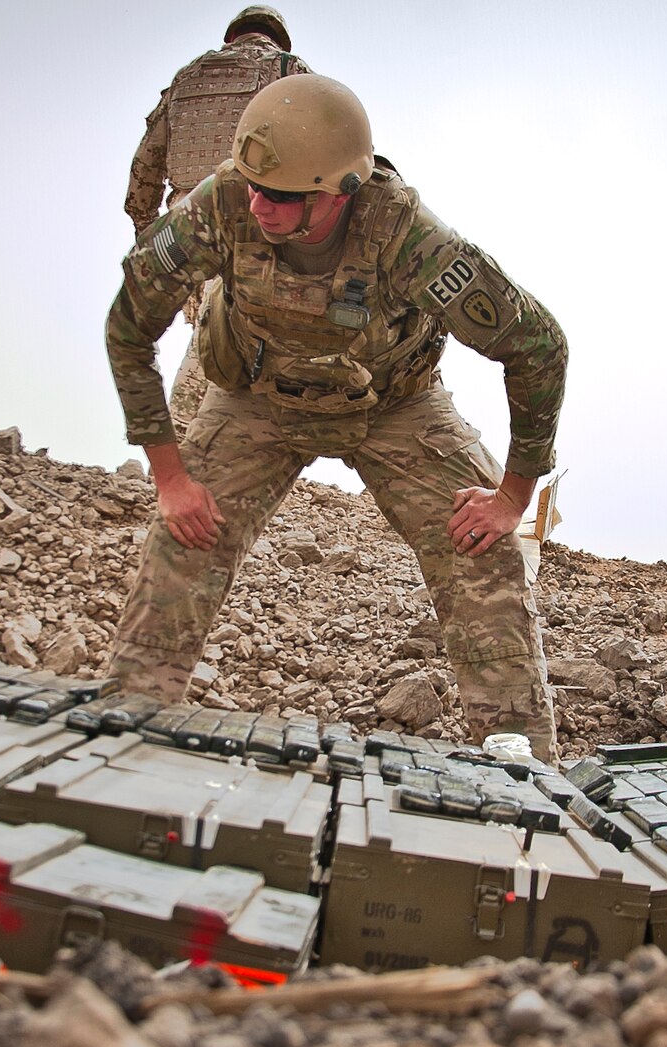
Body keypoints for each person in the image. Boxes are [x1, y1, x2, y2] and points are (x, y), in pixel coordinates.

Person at [105, 74, 566, 757]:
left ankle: (519, 763)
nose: (258, 204)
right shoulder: (223, 205)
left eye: (282, 196)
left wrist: (512, 497)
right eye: (252, 185)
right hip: (255, 395)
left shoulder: (408, 237)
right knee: (184, 537)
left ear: (339, 192)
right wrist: (171, 477)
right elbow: (129, 326)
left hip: (394, 403)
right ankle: (124, 734)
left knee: (483, 550)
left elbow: (538, 347)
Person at [125, 5, 308, 438]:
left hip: (184, 222)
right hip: (251, 213)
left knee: (218, 332)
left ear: (232, 37)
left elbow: (145, 167)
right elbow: (315, 143)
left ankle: (205, 442)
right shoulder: (285, 68)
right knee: (225, 333)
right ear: (277, 38)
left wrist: (147, 230)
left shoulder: (187, 78)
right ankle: (189, 437)